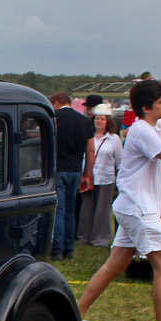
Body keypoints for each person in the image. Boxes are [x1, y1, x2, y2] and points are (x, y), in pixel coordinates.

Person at [77, 79, 161, 321]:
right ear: (146, 107)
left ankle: (73, 316)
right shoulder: (143, 131)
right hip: (139, 210)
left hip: (133, 206)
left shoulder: (145, 130)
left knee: (114, 266)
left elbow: (148, 171)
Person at [50, 92, 91, 260]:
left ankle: (57, 249)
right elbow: (90, 150)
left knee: (59, 210)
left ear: (57, 103)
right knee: (70, 210)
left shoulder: (54, 118)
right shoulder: (83, 120)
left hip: (59, 168)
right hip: (75, 169)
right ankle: (69, 248)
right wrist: (87, 174)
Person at [76, 105, 121, 247]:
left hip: (106, 178)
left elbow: (120, 160)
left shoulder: (114, 139)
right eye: (97, 118)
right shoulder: (87, 137)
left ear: (108, 121)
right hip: (89, 177)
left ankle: (100, 239)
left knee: (102, 210)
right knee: (86, 209)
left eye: (102, 119)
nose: (99, 121)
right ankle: (83, 237)